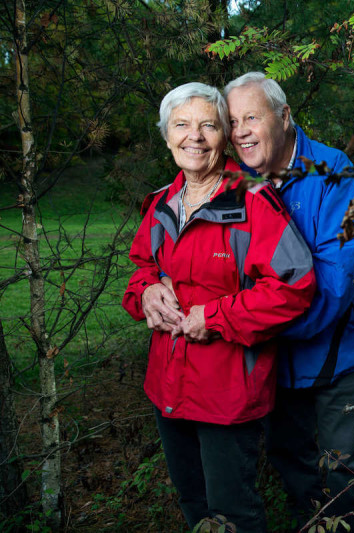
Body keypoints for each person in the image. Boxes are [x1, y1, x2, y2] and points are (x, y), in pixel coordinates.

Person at [122, 82, 316, 533]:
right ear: (167, 136)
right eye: (182, 125)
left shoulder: (251, 200)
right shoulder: (161, 204)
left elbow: (294, 287)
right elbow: (139, 273)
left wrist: (215, 316)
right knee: (193, 504)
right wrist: (147, 292)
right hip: (166, 388)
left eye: (208, 125)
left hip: (227, 392)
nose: (195, 136)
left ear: (224, 137)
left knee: (234, 513)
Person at [224, 72, 354, 531]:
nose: (240, 132)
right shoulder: (236, 184)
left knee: (344, 472)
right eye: (233, 121)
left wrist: (249, 322)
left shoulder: (336, 174)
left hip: (342, 353)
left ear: (285, 115)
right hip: (276, 359)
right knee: (289, 460)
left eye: (251, 117)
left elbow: (335, 287)